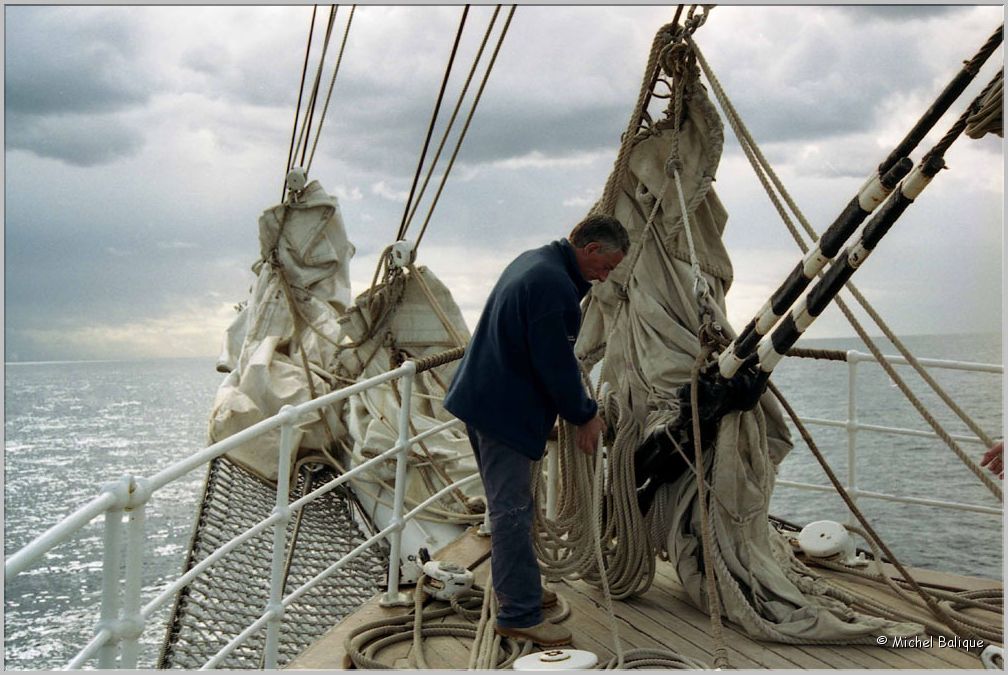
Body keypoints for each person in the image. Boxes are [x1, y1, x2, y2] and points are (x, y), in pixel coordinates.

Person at [443, 214, 629, 646]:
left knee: (513, 507)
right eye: (607, 266)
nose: (605, 277)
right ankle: (518, 613)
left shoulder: (537, 262)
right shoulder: (554, 286)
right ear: (591, 250)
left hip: (485, 397)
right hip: (500, 412)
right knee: (511, 513)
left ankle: (521, 588)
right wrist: (585, 414)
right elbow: (556, 366)